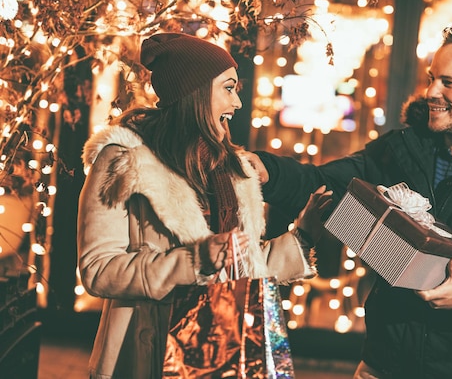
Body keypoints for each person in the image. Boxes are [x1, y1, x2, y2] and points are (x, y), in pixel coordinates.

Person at [247, 22, 452, 378]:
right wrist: (267, 171)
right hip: (384, 365)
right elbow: (324, 183)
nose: (431, 91)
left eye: (448, 83)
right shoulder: (402, 150)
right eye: (431, 78)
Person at [77, 32, 331, 379]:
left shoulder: (231, 168)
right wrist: (193, 262)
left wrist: (302, 237)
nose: (238, 103)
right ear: (194, 93)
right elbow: (99, 269)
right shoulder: (124, 160)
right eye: (228, 88)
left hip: (219, 354)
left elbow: (241, 266)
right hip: (144, 357)